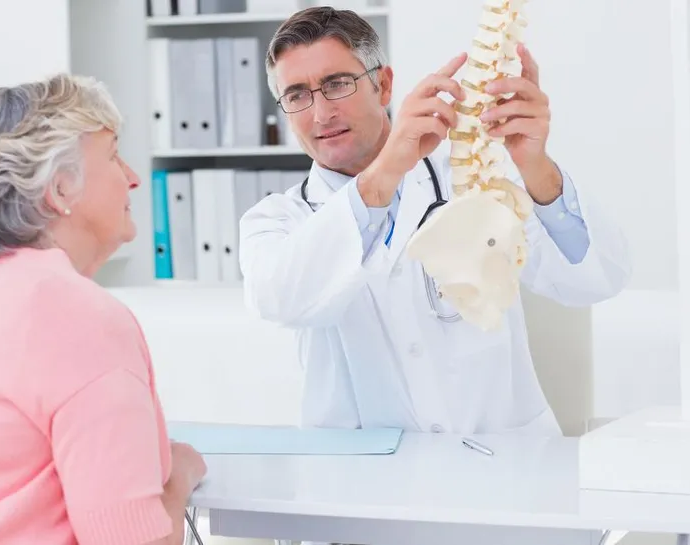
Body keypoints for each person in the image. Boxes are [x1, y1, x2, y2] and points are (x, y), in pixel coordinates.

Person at [238, 7, 631, 436]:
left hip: (505, 471)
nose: (320, 114)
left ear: (383, 85)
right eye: (297, 94)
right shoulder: (276, 220)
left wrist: (535, 165)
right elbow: (281, 299)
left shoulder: (480, 179)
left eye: (337, 84)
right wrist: (385, 174)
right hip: (363, 488)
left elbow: (596, 278)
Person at [0, 74, 206, 544]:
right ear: (60, 189)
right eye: (112, 155)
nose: (133, 177)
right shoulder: (80, 318)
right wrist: (179, 476)